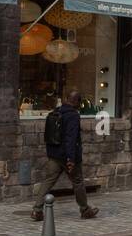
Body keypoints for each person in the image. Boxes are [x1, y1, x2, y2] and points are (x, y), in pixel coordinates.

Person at [30, 90, 99, 222]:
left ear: (67, 99)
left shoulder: (56, 112)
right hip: (67, 155)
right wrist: (71, 159)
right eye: (80, 102)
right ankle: (85, 210)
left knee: (48, 181)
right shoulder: (73, 116)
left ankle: (37, 210)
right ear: (77, 102)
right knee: (78, 181)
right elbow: (71, 139)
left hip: (54, 154)